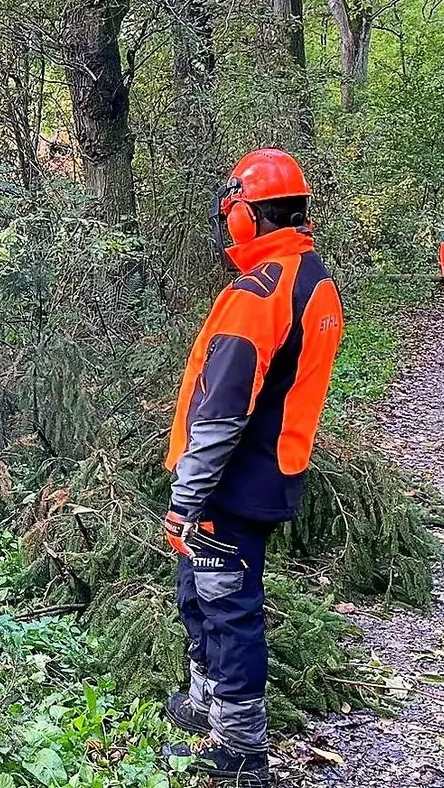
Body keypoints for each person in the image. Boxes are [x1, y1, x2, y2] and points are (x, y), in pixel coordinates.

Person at [160, 149, 345, 784]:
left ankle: (238, 747)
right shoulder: (313, 278)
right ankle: (207, 705)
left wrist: (186, 497)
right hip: (273, 468)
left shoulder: (257, 293)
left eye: (230, 215)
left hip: (232, 481)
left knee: (226, 605)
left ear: (245, 217)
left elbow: (222, 412)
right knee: (202, 591)